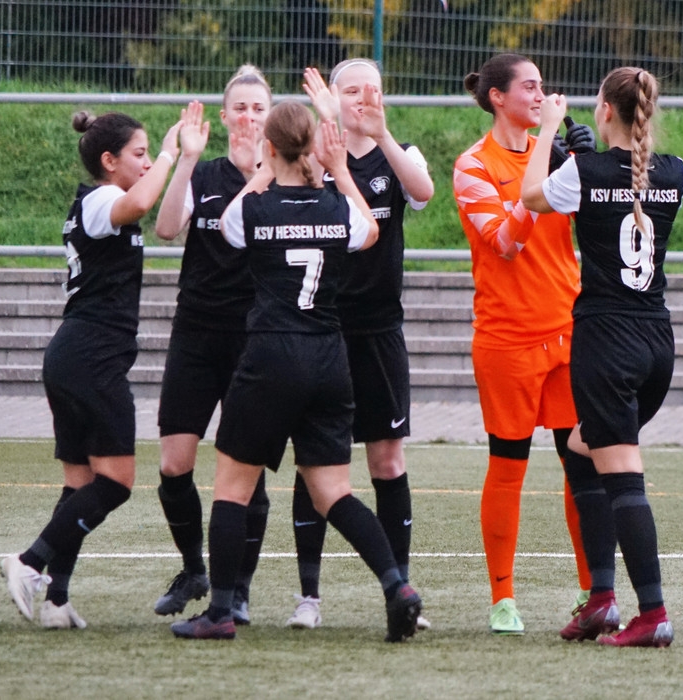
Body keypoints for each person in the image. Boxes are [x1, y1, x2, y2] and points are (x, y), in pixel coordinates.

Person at [170, 100, 423, 642]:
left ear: (269, 147)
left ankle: (220, 612)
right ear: (313, 147)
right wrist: (339, 171)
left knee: (232, 488)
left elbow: (229, 226)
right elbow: (369, 232)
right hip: (329, 358)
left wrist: (263, 169)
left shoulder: (255, 208)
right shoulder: (336, 206)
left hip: (269, 356)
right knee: (334, 492)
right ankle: (397, 586)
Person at [521, 67, 683, 647]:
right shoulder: (674, 171)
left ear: (607, 111)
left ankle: (652, 613)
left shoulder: (584, 172)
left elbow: (529, 196)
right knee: (580, 448)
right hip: (657, 342)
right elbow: (623, 189)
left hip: (607, 342)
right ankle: (600, 599)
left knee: (624, 478)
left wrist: (547, 130)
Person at [0, 108, 182, 628]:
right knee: (117, 482)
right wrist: (170, 153)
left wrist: (176, 161)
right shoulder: (102, 200)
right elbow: (141, 201)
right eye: (138, 154)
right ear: (109, 160)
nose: (145, 163)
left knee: (80, 486)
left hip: (75, 355)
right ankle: (29, 562)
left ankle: (56, 599)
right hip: (91, 357)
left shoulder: (99, 203)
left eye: (148, 154)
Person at [453, 52, 606, 634]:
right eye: (531, 86)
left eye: (544, 87)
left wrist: (590, 167)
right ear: (498, 97)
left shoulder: (557, 156)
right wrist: (549, 160)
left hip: (568, 331)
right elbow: (507, 242)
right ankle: (503, 598)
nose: (543, 96)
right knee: (508, 466)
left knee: (580, 466)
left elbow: (599, 229)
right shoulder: (473, 165)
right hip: (507, 339)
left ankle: (595, 592)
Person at [282, 60, 435, 631]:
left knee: (387, 460)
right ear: (332, 98)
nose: (363, 98)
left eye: (373, 88)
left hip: (380, 332)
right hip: (321, 330)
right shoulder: (312, 157)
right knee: (316, 463)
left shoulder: (399, 154)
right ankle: (309, 597)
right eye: (351, 90)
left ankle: (401, 588)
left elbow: (423, 192)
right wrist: (328, 149)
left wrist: (382, 134)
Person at [151, 65, 272, 624]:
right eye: (240, 108)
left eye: (258, 108)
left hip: (255, 337)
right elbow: (166, 229)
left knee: (245, 470)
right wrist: (186, 160)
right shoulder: (203, 172)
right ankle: (193, 569)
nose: (249, 117)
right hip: (197, 332)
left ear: (271, 116)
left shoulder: (284, 176)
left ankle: (238, 588)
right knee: (174, 464)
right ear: (223, 117)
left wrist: (260, 173)